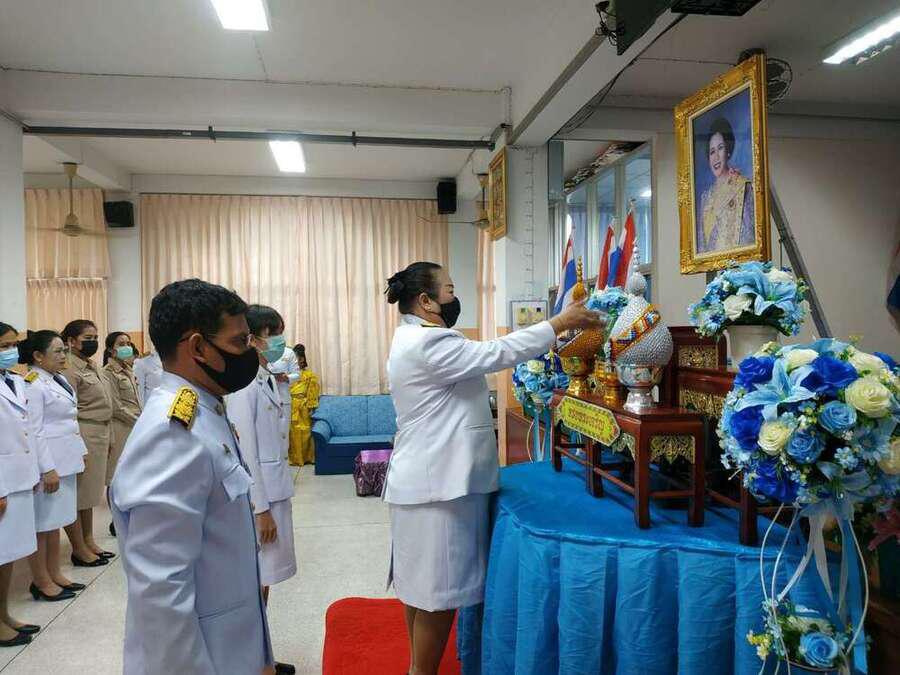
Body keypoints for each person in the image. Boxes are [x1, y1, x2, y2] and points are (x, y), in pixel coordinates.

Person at [383, 262, 604, 675]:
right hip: (440, 488)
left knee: (420, 588)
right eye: (449, 290)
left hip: (423, 480)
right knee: (438, 594)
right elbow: (496, 352)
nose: (454, 298)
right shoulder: (429, 343)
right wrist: (559, 323)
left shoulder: (411, 337)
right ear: (426, 301)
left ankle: (417, 667)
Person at [110, 279, 274, 675]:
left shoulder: (206, 410)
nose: (250, 353)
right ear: (198, 347)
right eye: (239, 342)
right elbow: (160, 587)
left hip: (231, 644)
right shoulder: (173, 433)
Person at [226, 305, 297, 675]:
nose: (278, 341)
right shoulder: (243, 385)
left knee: (264, 581)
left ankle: (260, 656)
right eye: (272, 334)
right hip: (262, 497)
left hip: (275, 488)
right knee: (256, 581)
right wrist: (260, 508)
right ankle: (251, 661)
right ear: (252, 338)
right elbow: (246, 450)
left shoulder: (264, 375)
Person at [21, 330, 88, 602]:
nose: (63, 355)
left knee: (55, 523)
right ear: (38, 356)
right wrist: (47, 468)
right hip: (49, 464)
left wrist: (80, 450)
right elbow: (35, 430)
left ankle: (55, 573)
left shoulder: (57, 378)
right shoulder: (33, 383)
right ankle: (41, 581)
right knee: (42, 525)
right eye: (58, 351)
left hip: (66, 459)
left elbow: (69, 421)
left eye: (64, 350)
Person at [0, 321, 42, 647]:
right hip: (3, 483)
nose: (11, 351)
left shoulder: (14, 380)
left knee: (8, 553)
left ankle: (4, 614)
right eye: (4, 346)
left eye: (14, 345)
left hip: (18, 478)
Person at [61, 319, 114, 567]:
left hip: (101, 430)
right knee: (79, 493)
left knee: (91, 493)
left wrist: (111, 435)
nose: (93, 342)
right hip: (84, 431)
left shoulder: (91, 364)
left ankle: (89, 540)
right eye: (87, 338)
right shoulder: (69, 367)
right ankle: (79, 548)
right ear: (71, 341)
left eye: (95, 337)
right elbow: (68, 409)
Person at [697, 116, 755, 255]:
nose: (716, 157)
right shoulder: (706, 197)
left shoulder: (742, 187)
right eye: (712, 152)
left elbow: (749, 236)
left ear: (728, 151)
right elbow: (701, 245)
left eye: (720, 148)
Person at [103, 332, 142, 536]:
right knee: (116, 478)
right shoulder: (108, 373)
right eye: (121, 343)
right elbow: (116, 407)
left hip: (135, 427)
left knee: (134, 474)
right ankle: (116, 520)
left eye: (128, 342)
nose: (126, 346)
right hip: (120, 428)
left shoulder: (128, 369)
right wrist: (140, 421)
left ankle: (131, 517)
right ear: (111, 350)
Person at [260, 308, 299, 438]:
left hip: (283, 398)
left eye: (280, 333)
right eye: (274, 333)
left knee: (283, 435)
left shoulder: (288, 352)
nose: (278, 337)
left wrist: (286, 378)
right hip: (265, 397)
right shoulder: (260, 355)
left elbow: (297, 374)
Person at [288, 344, 319, 466]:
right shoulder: (287, 375)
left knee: (305, 432)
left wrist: (311, 407)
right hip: (290, 406)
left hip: (303, 407)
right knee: (292, 433)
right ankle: (295, 458)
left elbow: (312, 392)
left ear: (302, 359)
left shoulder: (309, 375)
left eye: (295, 358)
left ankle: (308, 457)